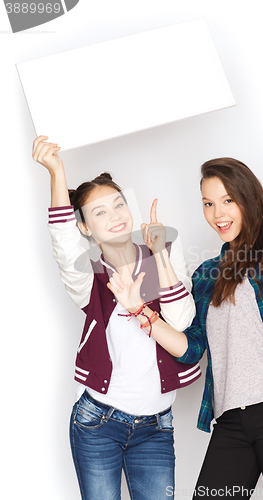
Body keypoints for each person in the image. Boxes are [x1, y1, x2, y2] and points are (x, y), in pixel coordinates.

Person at [107, 157, 263, 500]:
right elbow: (192, 349)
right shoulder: (206, 275)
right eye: (209, 204)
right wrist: (141, 312)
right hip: (230, 422)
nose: (218, 213)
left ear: (248, 199)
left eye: (228, 200)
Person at [32, 135, 201, 500]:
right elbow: (62, 241)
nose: (115, 216)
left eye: (119, 204)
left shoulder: (164, 249)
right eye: (100, 212)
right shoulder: (87, 273)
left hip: (157, 427)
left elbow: (182, 319)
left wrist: (159, 257)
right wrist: (56, 173)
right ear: (85, 227)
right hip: (97, 423)